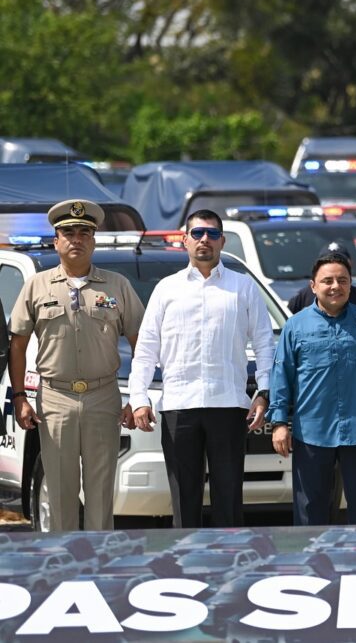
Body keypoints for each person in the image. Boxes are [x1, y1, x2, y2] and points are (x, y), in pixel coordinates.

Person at [128, 209, 275, 528]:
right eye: (196, 234)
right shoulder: (167, 289)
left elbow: (265, 344)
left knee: (229, 499)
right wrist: (139, 398)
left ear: (222, 241)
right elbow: (146, 349)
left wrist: (263, 392)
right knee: (184, 499)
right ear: (184, 240)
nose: (204, 240)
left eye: (211, 234)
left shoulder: (243, 286)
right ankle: (185, 566)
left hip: (228, 405)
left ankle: (230, 565)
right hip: (179, 408)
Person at [8, 199, 144, 531]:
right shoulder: (37, 286)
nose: (77, 239)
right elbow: (18, 343)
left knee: (100, 494)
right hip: (55, 399)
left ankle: (99, 565)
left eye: (85, 232)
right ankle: (63, 568)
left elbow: (142, 341)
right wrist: (20, 397)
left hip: (103, 396)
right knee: (59, 492)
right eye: (68, 232)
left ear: (94, 240)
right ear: (56, 240)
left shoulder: (117, 286)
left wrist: (138, 397)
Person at [268, 253, 356, 525]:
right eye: (327, 281)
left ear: (351, 284)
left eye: (342, 280)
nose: (335, 286)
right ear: (313, 286)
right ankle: (311, 563)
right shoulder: (296, 325)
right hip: (311, 432)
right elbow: (281, 375)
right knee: (309, 510)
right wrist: (279, 422)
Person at [286, 242, 356, 334]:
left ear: (350, 264)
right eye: (328, 261)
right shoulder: (303, 297)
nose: (335, 286)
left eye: (340, 261)